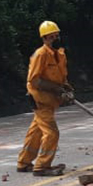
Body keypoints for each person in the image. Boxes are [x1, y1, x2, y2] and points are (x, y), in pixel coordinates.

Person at [17, 21, 74, 176]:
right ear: (45, 38)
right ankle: (42, 166)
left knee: (36, 131)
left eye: (57, 35)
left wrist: (66, 87)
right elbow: (34, 80)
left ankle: (24, 163)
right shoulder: (40, 54)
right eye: (52, 36)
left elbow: (59, 76)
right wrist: (57, 89)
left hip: (50, 100)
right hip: (40, 100)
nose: (55, 39)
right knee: (52, 133)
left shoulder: (59, 54)